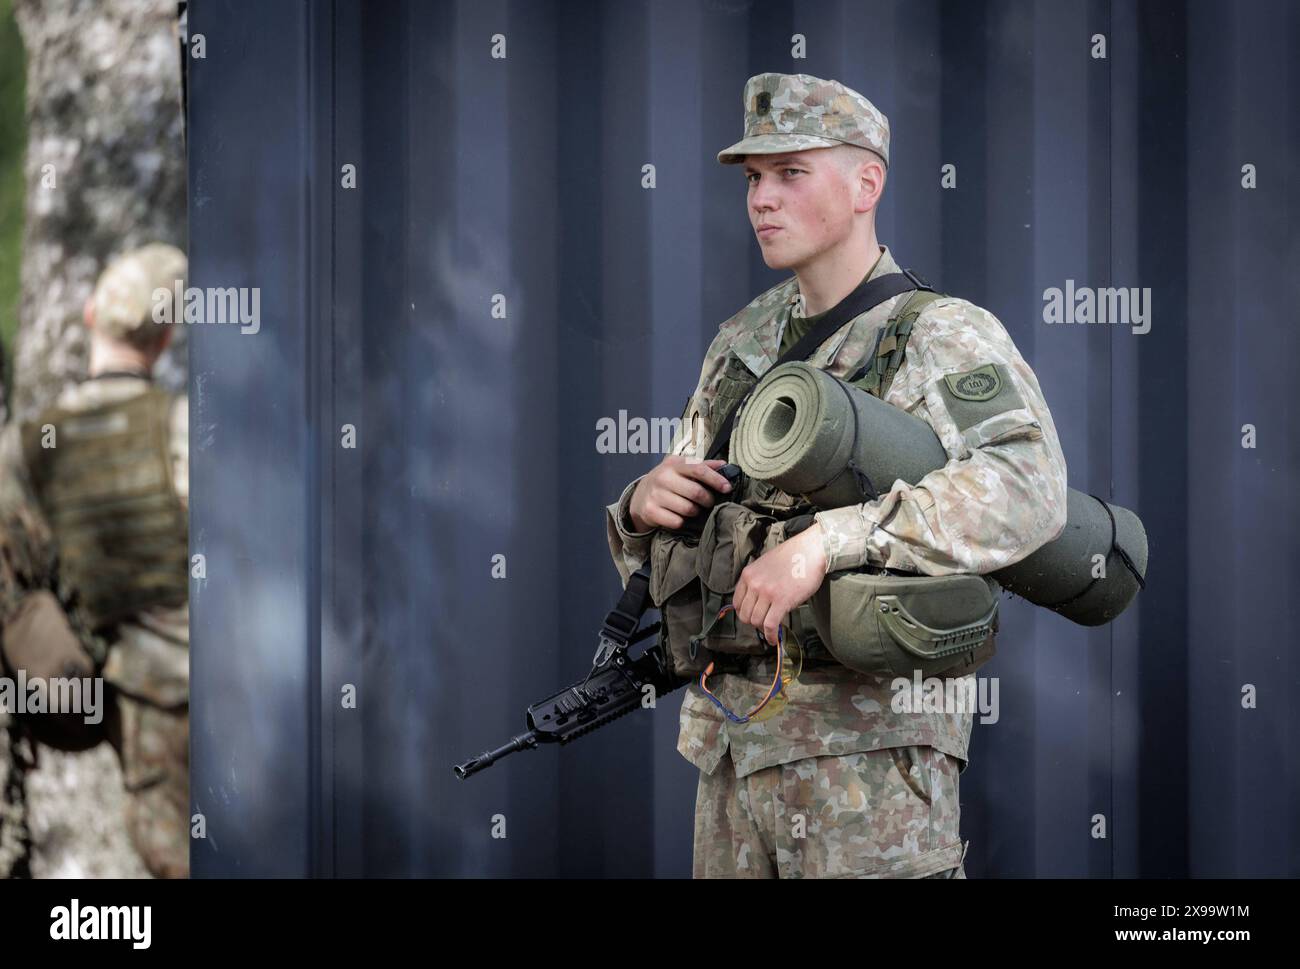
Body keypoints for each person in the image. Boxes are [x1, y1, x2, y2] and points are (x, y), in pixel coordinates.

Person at [604, 73, 1068, 878]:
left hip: (868, 773)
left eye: (790, 173)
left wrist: (829, 540)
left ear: (866, 183)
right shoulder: (741, 343)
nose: (761, 200)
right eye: (754, 179)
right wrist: (644, 510)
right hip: (733, 758)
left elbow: (1030, 490)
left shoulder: (940, 333)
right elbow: (685, 547)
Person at [1, 243, 190, 878]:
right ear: (164, 339)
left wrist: (63, 677)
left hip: (128, 697)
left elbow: (12, 581)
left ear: (88, 315)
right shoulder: (192, 427)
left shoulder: (28, 451)